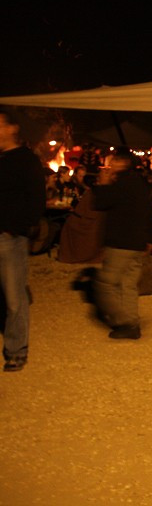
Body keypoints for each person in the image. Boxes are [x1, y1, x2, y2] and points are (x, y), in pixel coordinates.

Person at [92, 150, 152, 339]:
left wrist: (103, 184)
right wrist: (150, 238)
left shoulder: (121, 184)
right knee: (128, 284)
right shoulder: (142, 183)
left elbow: (101, 203)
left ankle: (124, 321)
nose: (109, 164)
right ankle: (132, 324)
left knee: (105, 283)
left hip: (121, 241)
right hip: (137, 242)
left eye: (112, 161)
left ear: (121, 163)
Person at [0, 108, 45, 371]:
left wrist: (17, 228)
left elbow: (36, 199)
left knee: (14, 297)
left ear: (12, 129)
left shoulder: (25, 159)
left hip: (8, 238)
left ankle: (16, 350)